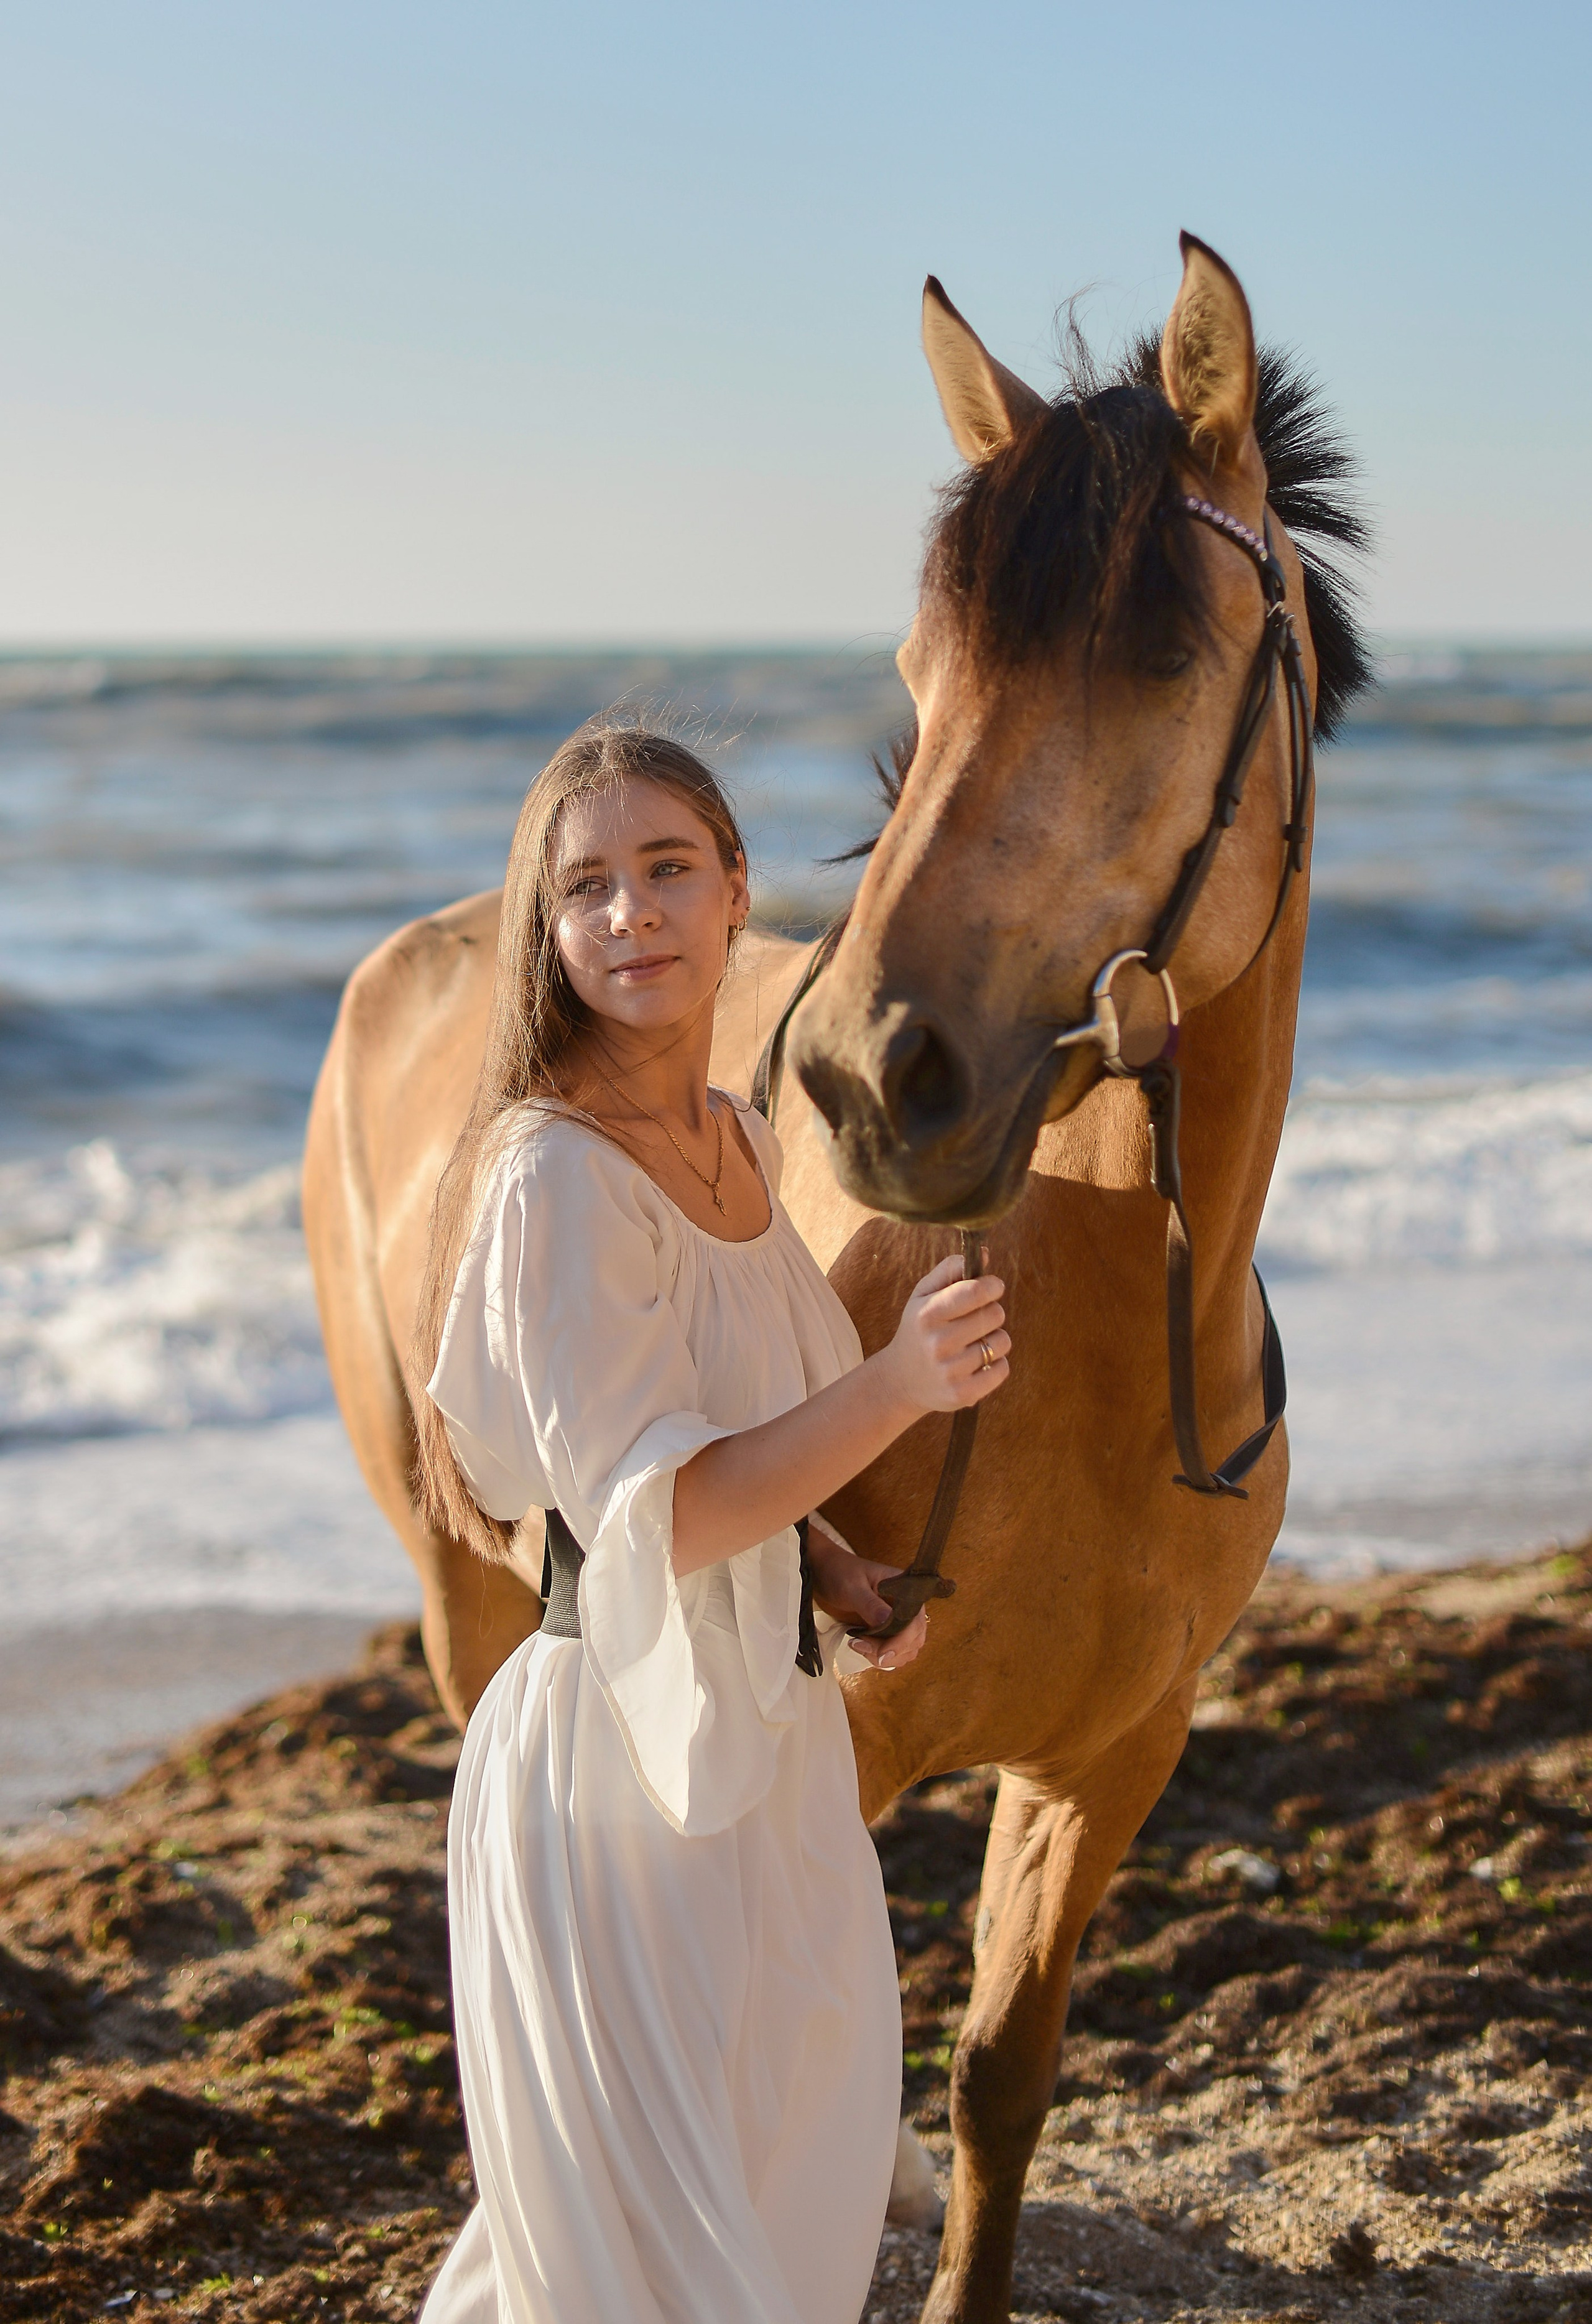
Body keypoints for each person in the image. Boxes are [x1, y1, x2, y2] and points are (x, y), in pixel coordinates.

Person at [409, 720, 1011, 2324]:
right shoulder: (552, 1180)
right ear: (548, 934)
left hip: (775, 1746)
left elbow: (751, 1446)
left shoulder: (740, 1141)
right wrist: (898, 1388)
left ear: (739, 889)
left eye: (668, 868)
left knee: (790, 2199)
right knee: (653, 2265)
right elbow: (655, 1520)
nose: (631, 915)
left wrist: (840, 1573)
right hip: (617, 1765)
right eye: (585, 887)